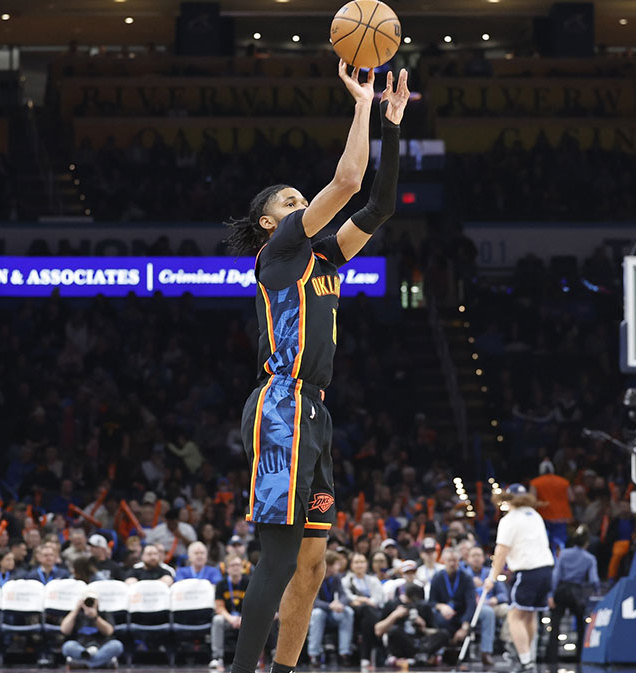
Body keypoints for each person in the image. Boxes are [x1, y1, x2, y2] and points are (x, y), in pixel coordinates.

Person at [224, 61, 409, 673]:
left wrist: (390, 122)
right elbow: (349, 179)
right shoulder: (275, 254)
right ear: (271, 223)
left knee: (312, 564)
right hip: (280, 407)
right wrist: (360, 102)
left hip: (315, 415)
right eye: (291, 200)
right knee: (277, 559)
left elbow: (378, 202)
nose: (302, 201)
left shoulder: (324, 258)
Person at [484, 484, 555, 673]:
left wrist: (492, 576)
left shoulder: (509, 520)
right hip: (547, 569)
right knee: (529, 615)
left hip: (528, 571)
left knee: (514, 616)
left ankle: (525, 661)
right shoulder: (534, 515)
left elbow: (501, 552)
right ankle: (528, 656)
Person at [428, 548, 494, 665]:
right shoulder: (437, 577)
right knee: (436, 616)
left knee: (488, 613)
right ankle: (436, 651)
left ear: (459, 561)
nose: (452, 563)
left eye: (455, 560)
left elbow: (471, 603)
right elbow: (431, 601)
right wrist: (442, 606)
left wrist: (465, 626)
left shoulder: (466, 577)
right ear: (443, 561)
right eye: (449, 560)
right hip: (445, 614)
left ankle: (486, 652)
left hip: (463, 611)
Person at [546, 528, 598, 663]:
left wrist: (551, 594)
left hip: (562, 590)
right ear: (586, 543)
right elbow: (594, 580)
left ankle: (552, 658)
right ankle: (580, 656)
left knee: (555, 624)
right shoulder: (590, 558)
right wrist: (595, 591)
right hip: (577, 592)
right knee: (581, 625)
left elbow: (555, 575)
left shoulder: (563, 554)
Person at [373, 584, 448, 665]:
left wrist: (423, 627)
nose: (412, 603)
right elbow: (378, 631)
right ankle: (421, 658)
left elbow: (434, 631)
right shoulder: (392, 604)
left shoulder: (423, 606)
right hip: (402, 644)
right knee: (394, 630)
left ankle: (420, 656)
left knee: (444, 633)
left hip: (421, 643)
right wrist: (394, 616)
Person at [307, 550, 353, 665]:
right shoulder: (314, 577)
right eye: (336, 564)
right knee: (318, 614)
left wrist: (341, 604)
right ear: (329, 564)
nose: (338, 567)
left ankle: (344, 653)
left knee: (348, 611)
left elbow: (343, 595)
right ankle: (314, 654)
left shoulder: (336, 577)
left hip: (331, 613)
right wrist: (330, 606)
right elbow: (313, 601)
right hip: (317, 613)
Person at [60, 588, 122, 669]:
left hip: (101, 647)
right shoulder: (77, 614)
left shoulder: (104, 613)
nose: (89, 602)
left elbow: (109, 631)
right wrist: (76, 609)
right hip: (81, 649)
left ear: (97, 601)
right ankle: (103, 663)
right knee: (68, 646)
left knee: (117, 645)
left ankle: (83, 664)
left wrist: (95, 617)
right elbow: (64, 630)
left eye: (92, 600)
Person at [341, 552, 385, 666]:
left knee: (368, 616)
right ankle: (379, 636)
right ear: (351, 565)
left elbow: (379, 598)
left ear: (366, 564)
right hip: (355, 611)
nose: (359, 565)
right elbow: (348, 597)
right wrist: (366, 600)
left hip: (370, 612)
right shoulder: (346, 580)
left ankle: (365, 657)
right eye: (356, 562)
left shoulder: (373, 580)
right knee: (366, 609)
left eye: (362, 562)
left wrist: (364, 600)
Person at [210, 554, 249, 671]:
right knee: (217, 620)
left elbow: (253, 606)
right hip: (228, 619)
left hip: (245, 618)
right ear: (226, 569)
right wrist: (231, 619)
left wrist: (243, 618)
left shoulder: (249, 582)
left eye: (238, 565)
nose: (236, 568)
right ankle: (217, 657)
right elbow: (219, 608)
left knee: (255, 621)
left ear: (242, 567)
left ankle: (251, 658)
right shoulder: (221, 584)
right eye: (232, 565)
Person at [528, 463, 572, 553]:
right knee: (560, 545)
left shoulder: (535, 482)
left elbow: (531, 501)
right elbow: (572, 497)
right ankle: (559, 564)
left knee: (543, 544)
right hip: (561, 518)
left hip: (543, 518)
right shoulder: (564, 482)